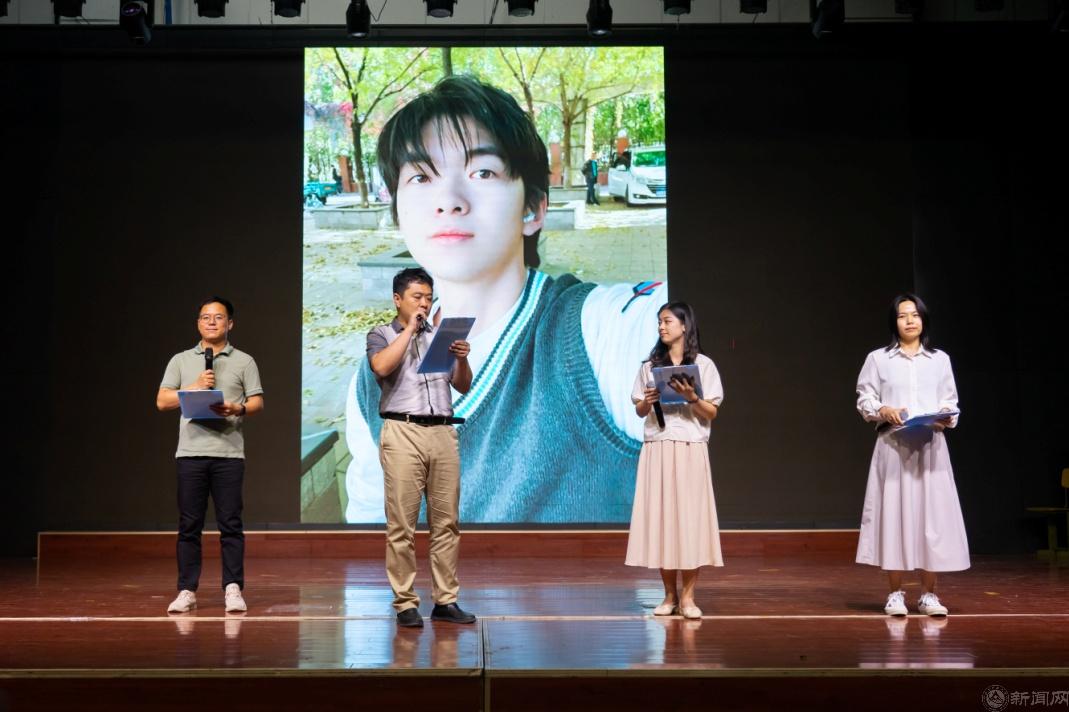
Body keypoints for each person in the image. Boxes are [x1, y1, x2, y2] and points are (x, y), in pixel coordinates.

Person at [344, 75, 666, 525]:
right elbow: (365, 534)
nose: (449, 200)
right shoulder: (371, 380)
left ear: (533, 209)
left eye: (482, 172)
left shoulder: (598, 334)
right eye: (420, 176)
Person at [367, 267, 476, 628]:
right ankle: (405, 602)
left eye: (429, 298)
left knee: (447, 522)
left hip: (443, 431)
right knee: (402, 523)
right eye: (417, 297)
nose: (424, 304)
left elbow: (463, 385)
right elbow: (381, 367)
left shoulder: (440, 337)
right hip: (403, 431)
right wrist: (410, 331)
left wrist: (461, 357)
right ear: (397, 299)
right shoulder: (381, 334)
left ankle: (446, 600)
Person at [855, 293, 969, 617]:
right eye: (903, 315)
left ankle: (929, 595)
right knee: (894, 516)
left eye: (915, 315)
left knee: (931, 519)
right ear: (894, 322)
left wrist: (945, 416)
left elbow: (950, 401)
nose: (909, 320)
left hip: (930, 447)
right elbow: (865, 398)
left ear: (923, 320)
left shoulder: (939, 360)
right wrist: (883, 409)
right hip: (894, 446)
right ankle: (895, 593)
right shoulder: (879, 359)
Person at [156, 297, 264, 614]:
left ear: (230, 324)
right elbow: (162, 401)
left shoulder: (244, 361)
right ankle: (187, 590)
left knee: (231, 524)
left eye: (218, 317)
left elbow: (257, 402)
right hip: (190, 454)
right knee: (189, 525)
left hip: (228, 454)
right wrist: (193, 387)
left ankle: (233, 588)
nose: (212, 322)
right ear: (198, 323)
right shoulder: (180, 360)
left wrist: (236, 408)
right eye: (206, 317)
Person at [625, 302, 724, 620]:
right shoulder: (650, 367)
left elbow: (712, 412)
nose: (661, 327)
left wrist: (692, 397)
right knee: (663, 520)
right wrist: (647, 401)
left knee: (689, 520)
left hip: (691, 446)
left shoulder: (704, 365)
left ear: (684, 325)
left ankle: (689, 596)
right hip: (659, 446)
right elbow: (640, 410)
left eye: (667, 321)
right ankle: (669, 595)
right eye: (659, 322)